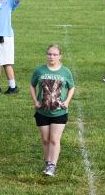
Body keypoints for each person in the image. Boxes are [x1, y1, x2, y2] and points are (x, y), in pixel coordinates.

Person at [30, 45, 75, 177]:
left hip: (59, 113)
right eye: (49, 54)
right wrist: (35, 101)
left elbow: (72, 87)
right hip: (42, 112)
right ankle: (47, 162)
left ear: (60, 56)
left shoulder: (65, 72)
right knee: (45, 139)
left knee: (54, 140)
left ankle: (52, 166)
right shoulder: (39, 70)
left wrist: (67, 102)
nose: (51, 57)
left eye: (55, 54)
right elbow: (32, 85)